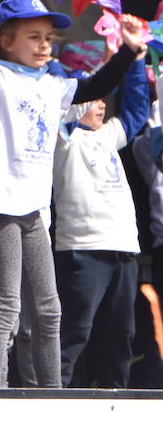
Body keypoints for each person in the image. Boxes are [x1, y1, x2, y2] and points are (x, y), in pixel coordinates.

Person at [0, 0, 145, 388]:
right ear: (7, 40)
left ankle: (52, 396)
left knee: (49, 310)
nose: (44, 45)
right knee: (5, 307)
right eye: (34, 37)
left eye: (48, 39)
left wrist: (128, 51)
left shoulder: (52, 83)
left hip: (34, 210)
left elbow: (95, 85)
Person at [52, 50, 149, 387]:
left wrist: (135, 60)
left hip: (123, 249)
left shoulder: (106, 136)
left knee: (121, 335)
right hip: (83, 249)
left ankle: (116, 404)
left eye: (102, 100)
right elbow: (63, 100)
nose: (101, 105)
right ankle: (53, 400)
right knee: (73, 333)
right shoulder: (61, 139)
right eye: (94, 101)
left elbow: (136, 111)